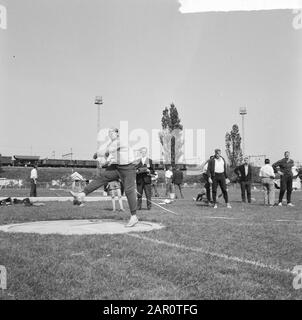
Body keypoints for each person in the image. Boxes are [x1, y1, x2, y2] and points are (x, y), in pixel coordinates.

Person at [70, 128, 139, 227]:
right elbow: (108, 157)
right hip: (117, 167)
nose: (110, 134)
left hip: (128, 167)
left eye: (112, 132)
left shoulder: (120, 141)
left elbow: (106, 152)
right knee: (101, 177)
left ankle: (134, 217)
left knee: (129, 190)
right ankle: (82, 194)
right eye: (109, 133)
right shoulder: (111, 143)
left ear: (117, 134)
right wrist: (104, 161)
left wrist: (97, 154)